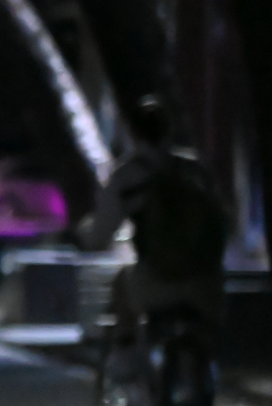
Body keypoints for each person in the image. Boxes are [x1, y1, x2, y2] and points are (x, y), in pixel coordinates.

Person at [76, 95, 227, 341]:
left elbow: (100, 235)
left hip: (153, 285)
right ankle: (207, 358)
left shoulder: (127, 175)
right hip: (205, 286)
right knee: (206, 335)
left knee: (120, 286)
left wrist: (85, 235)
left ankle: (128, 354)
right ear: (170, 129)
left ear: (134, 133)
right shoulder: (194, 170)